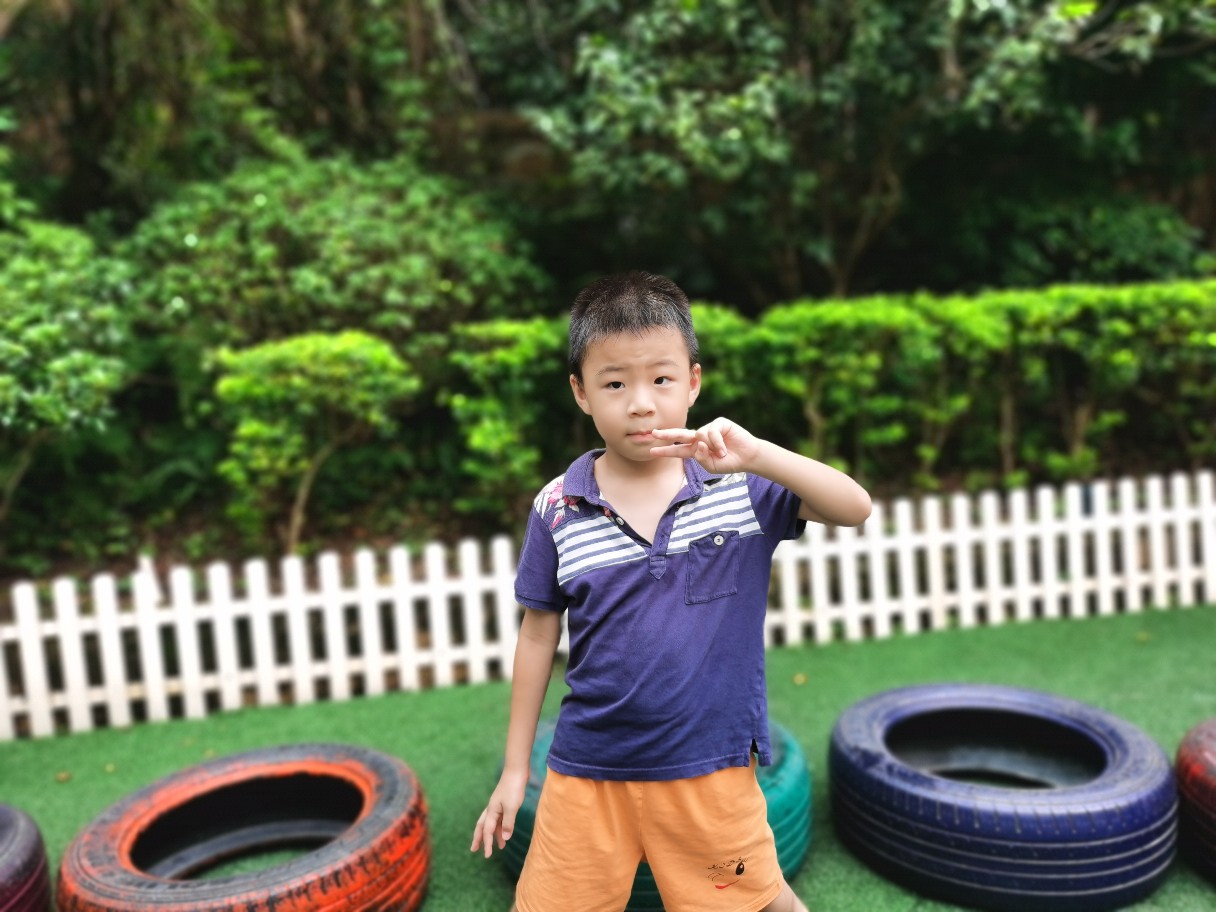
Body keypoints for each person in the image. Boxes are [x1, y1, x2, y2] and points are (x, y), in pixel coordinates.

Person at [471, 271, 871, 912]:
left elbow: (854, 507)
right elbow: (538, 635)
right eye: (615, 384)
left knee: (760, 900)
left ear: (693, 382)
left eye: (661, 379)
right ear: (581, 392)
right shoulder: (557, 506)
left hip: (710, 770)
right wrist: (517, 770)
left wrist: (758, 455)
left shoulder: (737, 488)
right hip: (586, 773)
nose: (640, 403)